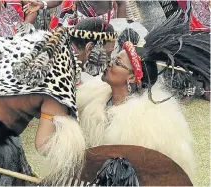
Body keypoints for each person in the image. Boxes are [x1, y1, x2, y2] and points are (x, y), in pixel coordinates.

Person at [0, 18, 118, 185]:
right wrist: (84, 152)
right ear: (89, 48)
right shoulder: (59, 78)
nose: (109, 62)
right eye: (108, 54)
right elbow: (43, 143)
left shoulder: (50, 41)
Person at [77, 12, 210, 181]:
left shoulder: (148, 124)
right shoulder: (93, 100)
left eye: (117, 63)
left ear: (131, 77)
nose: (110, 63)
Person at [23, 0, 126, 30]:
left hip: (106, 23)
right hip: (80, 23)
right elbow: (58, 1)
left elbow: (121, 3)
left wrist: (120, 27)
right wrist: (41, 4)